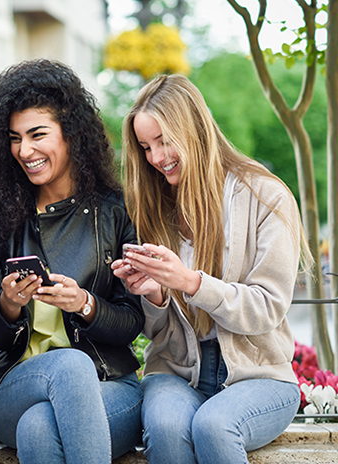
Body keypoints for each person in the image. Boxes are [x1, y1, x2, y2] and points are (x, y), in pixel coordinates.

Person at [112, 74, 309, 464]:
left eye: (165, 141)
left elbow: (268, 307)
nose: (155, 157)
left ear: (195, 130)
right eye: (146, 146)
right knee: (167, 427)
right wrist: (155, 294)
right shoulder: (154, 207)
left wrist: (188, 281)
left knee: (214, 426)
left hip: (261, 375)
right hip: (177, 373)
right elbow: (157, 332)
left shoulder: (264, 195)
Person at [0, 59, 145, 464]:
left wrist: (86, 304)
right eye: (14, 138)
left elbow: (133, 322)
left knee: (39, 428)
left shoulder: (116, 212)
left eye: (37, 134)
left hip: (108, 384)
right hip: (16, 385)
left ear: (72, 134)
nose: (24, 151)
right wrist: (9, 304)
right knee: (66, 368)